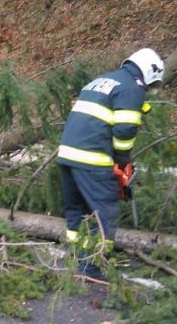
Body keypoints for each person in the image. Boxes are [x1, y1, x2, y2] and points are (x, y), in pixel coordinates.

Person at [57, 48, 164, 278]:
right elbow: (125, 127)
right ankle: (93, 265)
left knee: (78, 209)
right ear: (148, 72)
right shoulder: (132, 86)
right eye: (151, 84)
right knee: (104, 210)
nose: (148, 89)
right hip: (91, 157)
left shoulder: (102, 80)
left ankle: (73, 255)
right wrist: (123, 159)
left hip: (67, 153)